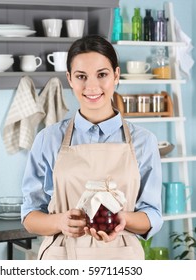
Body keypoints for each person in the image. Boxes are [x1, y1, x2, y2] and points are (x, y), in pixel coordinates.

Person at [21, 35, 163, 260]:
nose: (92, 86)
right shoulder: (47, 139)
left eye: (102, 74)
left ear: (116, 75)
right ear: (69, 79)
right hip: (63, 256)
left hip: (122, 258)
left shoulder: (144, 141)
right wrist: (60, 222)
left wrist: (123, 219)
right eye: (81, 76)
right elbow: (29, 215)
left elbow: (152, 214)